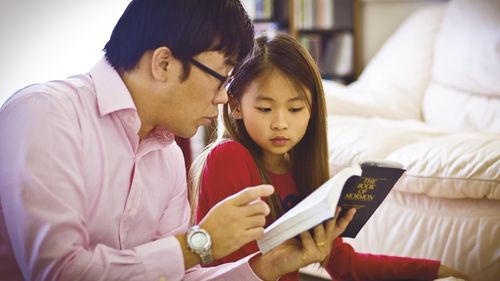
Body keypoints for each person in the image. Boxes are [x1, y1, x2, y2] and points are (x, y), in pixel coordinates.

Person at [0, 1, 355, 280]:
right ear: (164, 63)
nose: (221, 100)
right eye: (221, 79)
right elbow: (58, 272)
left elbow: (177, 275)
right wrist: (199, 242)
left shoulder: (168, 153)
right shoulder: (45, 115)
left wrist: (267, 267)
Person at [190, 32, 469, 281]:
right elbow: (237, 269)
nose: (280, 123)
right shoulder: (228, 157)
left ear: (312, 111)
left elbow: (345, 266)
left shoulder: (299, 170)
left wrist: (436, 270)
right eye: (265, 109)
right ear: (236, 105)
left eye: (296, 109)